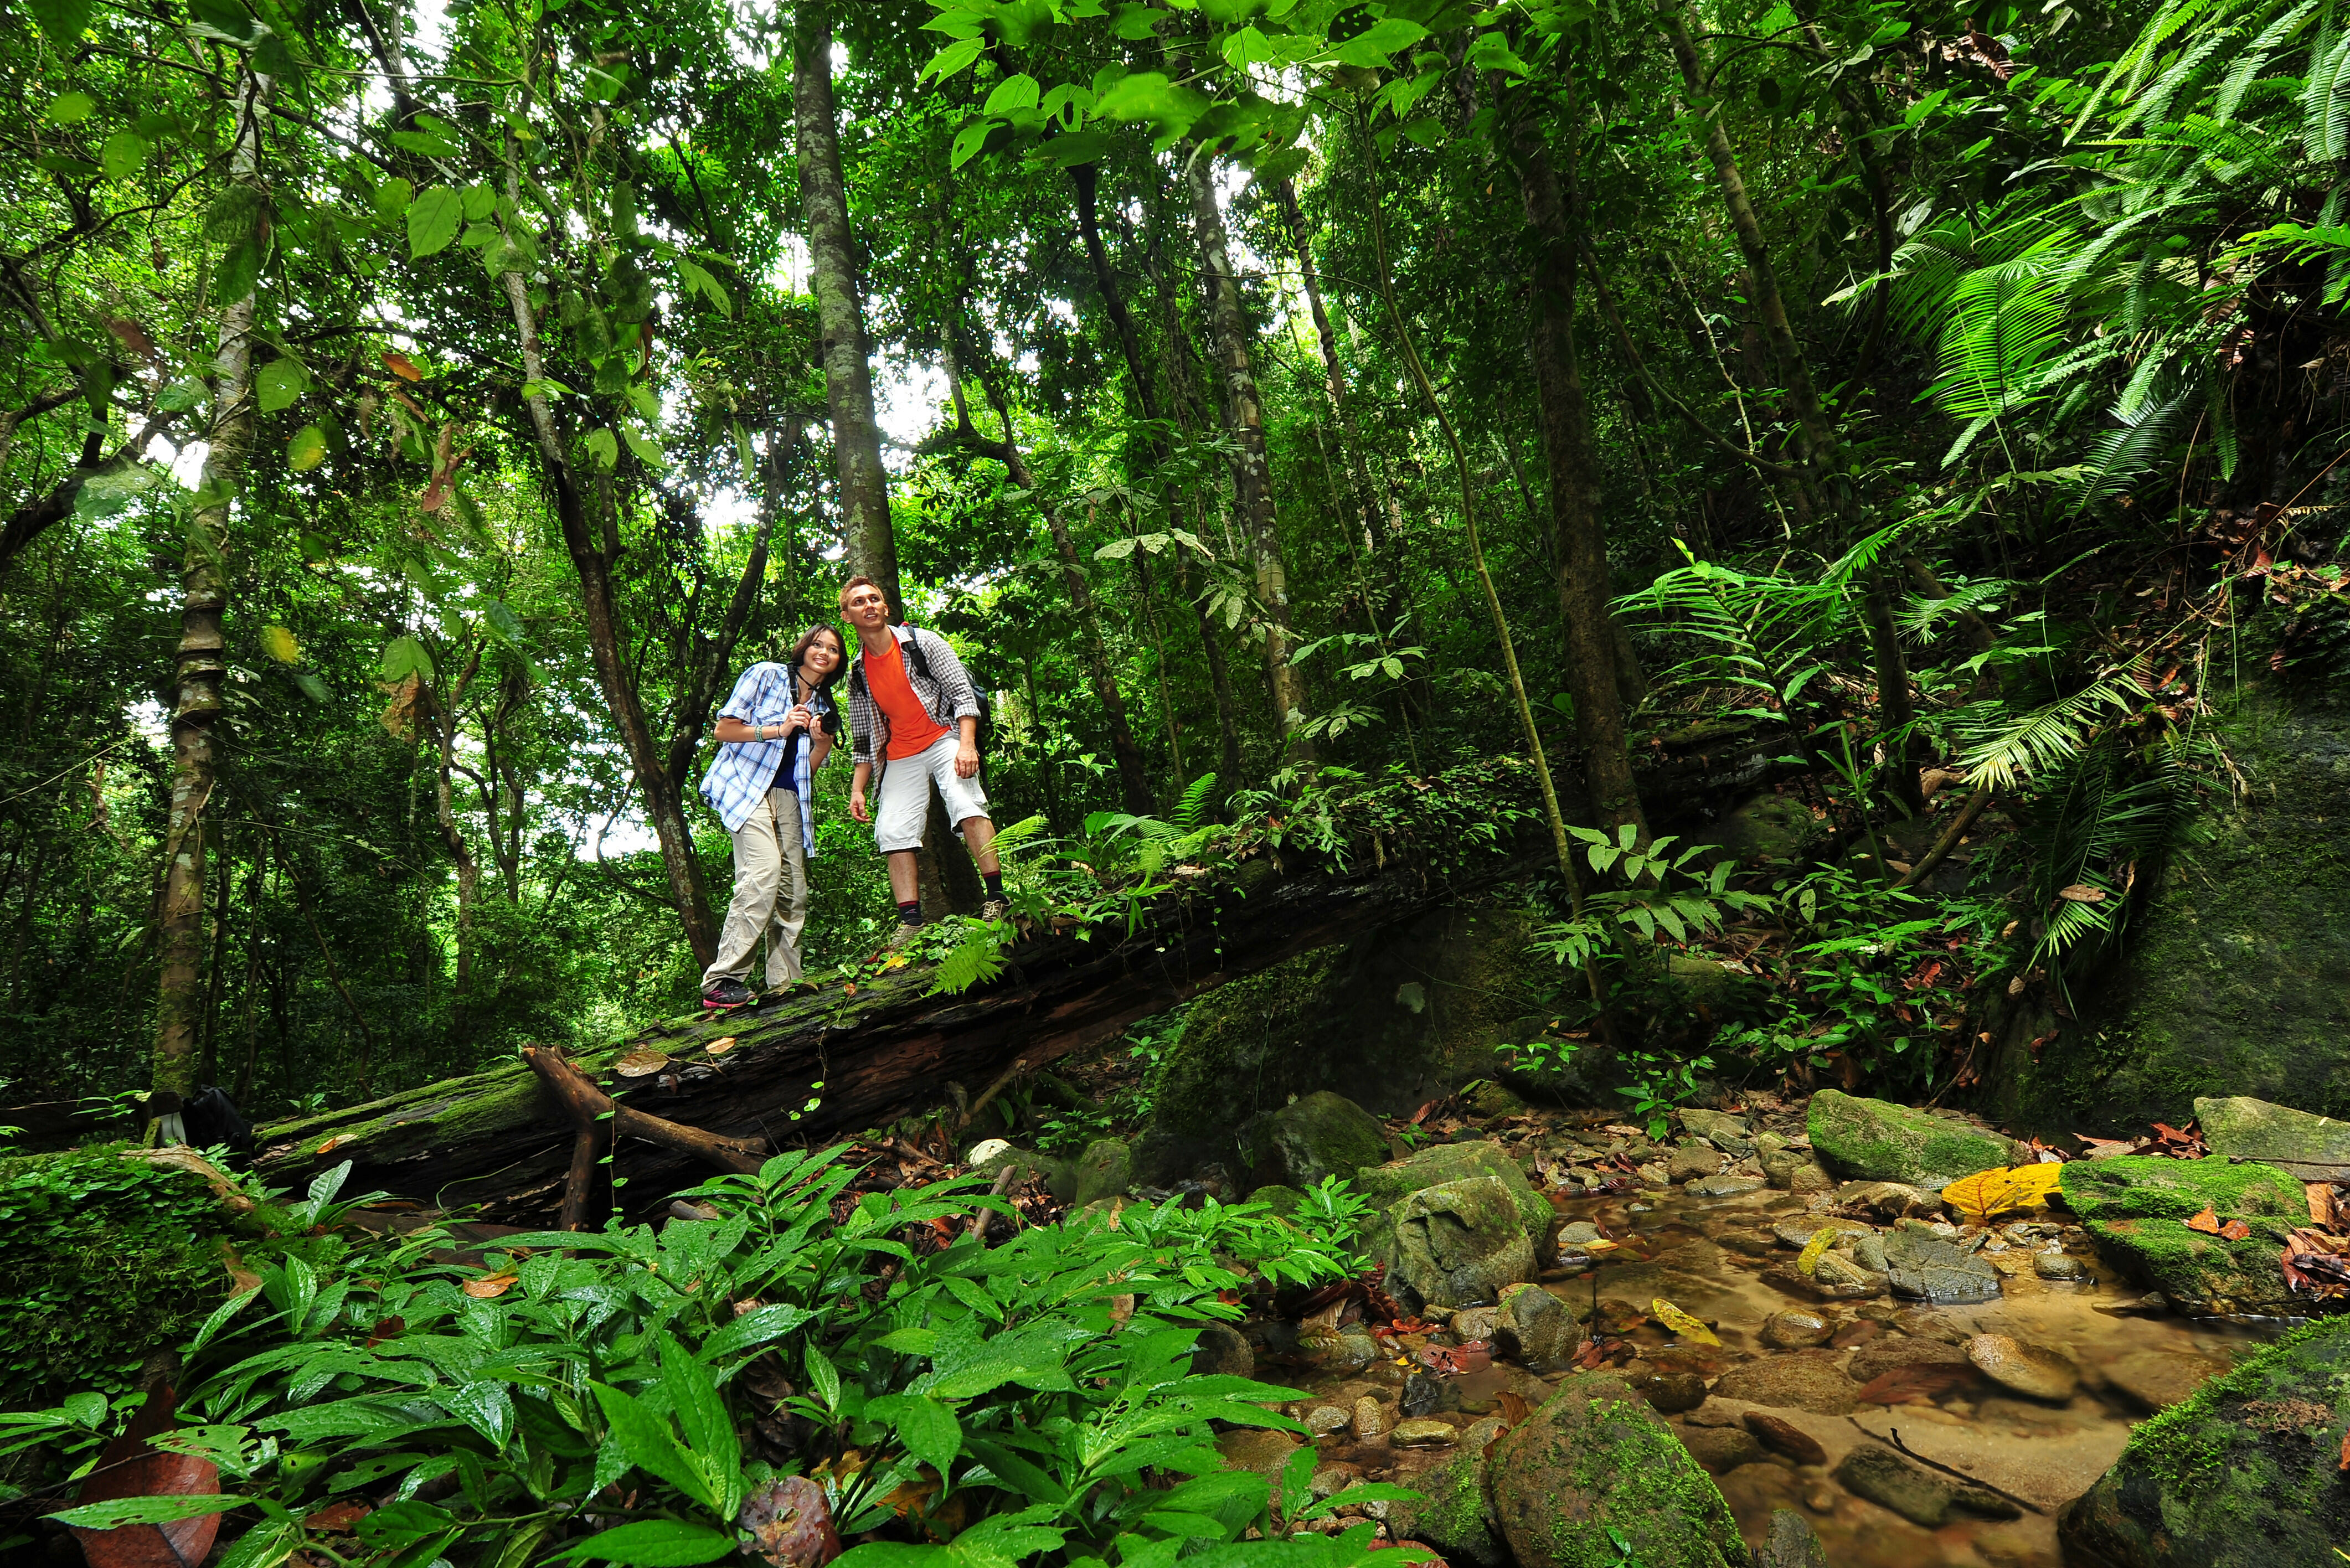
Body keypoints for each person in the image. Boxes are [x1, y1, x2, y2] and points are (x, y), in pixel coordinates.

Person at [838, 575, 1011, 947]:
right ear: (847, 617)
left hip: (944, 735)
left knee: (966, 804)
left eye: (874, 599)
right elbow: (865, 738)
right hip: (900, 753)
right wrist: (858, 789)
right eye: (858, 602)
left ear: (885, 608)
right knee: (891, 830)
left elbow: (963, 696)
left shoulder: (922, 642)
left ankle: (997, 897)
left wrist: (967, 745)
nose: (868, 605)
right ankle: (910, 921)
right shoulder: (857, 673)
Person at [697, 625, 846, 1010]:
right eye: (817, 644)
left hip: (789, 797)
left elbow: (805, 772)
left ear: (838, 662)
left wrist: (823, 743)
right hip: (746, 786)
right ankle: (722, 980)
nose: (824, 652)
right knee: (762, 873)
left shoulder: (824, 706)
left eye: (833, 649)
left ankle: (785, 984)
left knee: (793, 892)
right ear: (803, 648)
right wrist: (780, 728)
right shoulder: (766, 674)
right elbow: (723, 730)